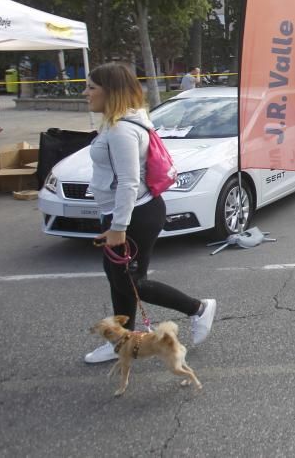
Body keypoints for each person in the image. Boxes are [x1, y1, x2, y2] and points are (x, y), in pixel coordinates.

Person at [82, 63, 217, 364]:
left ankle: (198, 308)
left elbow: (130, 181)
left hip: (134, 216)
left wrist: (118, 227)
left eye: (92, 87)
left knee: (132, 282)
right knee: (118, 279)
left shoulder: (121, 130)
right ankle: (122, 342)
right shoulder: (118, 123)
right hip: (125, 214)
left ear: (111, 91)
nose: (85, 92)